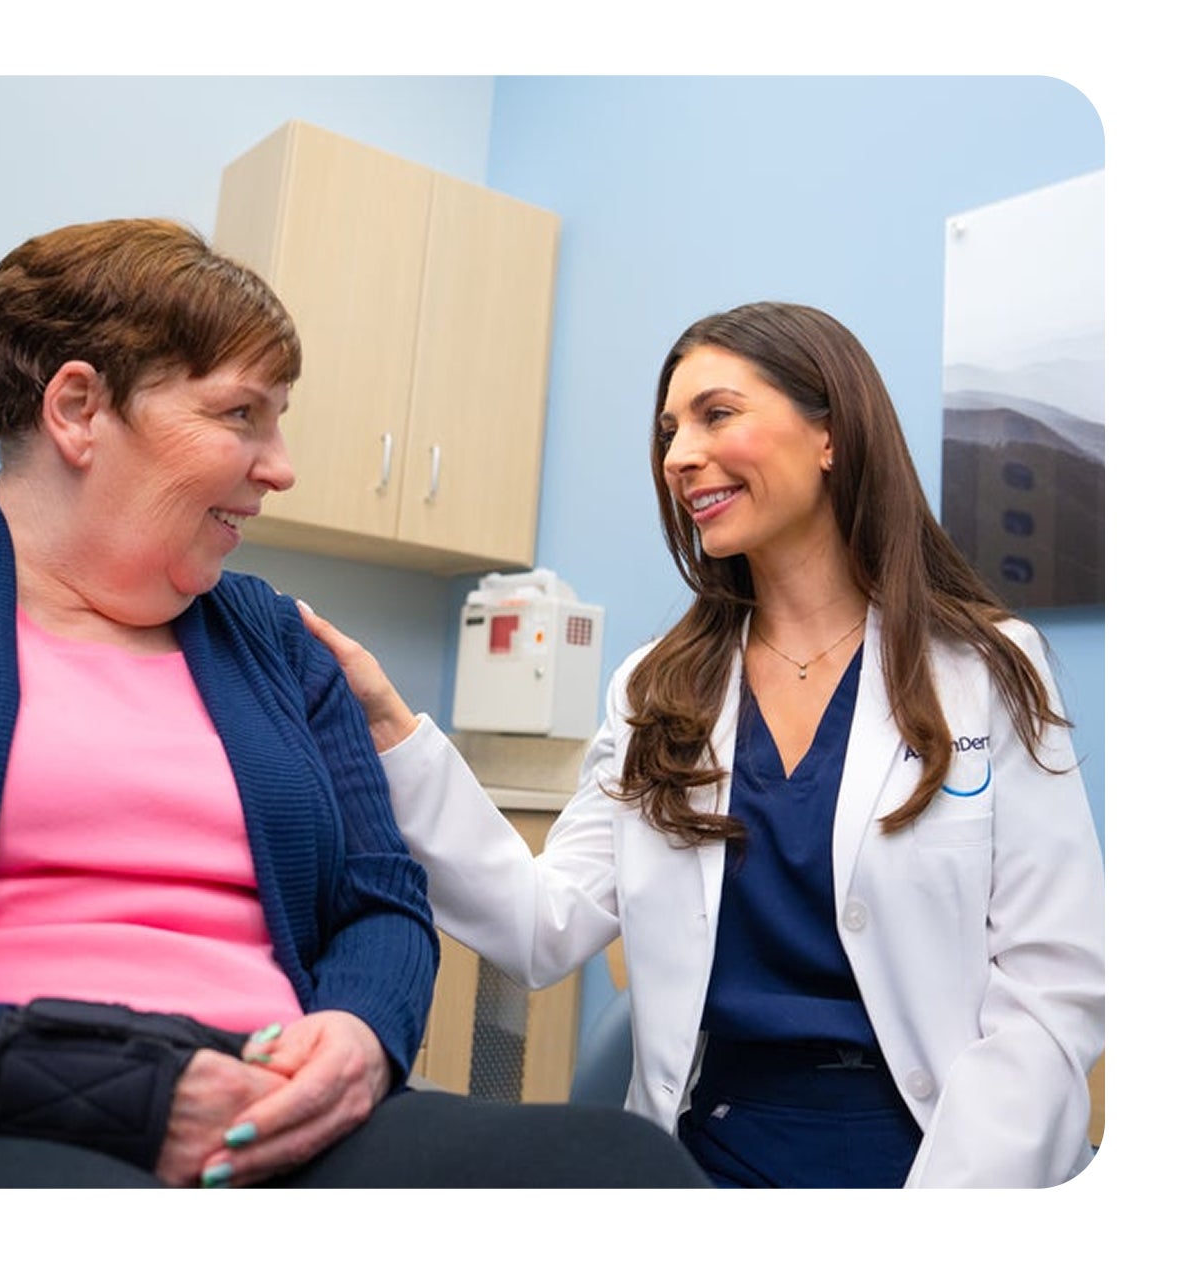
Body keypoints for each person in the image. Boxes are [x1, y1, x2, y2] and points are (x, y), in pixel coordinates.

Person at [0, 217, 712, 1190]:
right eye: (242, 415)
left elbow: (381, 901)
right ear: (80, 408)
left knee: (621, 1170)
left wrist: (360, 1035)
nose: (282, 463)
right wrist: (87, 1087)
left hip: (278, 1104)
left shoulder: (273, 641)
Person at [301, 300, 1106, 1188]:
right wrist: (394, 733)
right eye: (669, 430)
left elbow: (1052, 982)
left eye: (717, 415)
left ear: (830, 433)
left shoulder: (986, 669)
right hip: (711, 1155)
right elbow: (541, 924)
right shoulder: (658, 689)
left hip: (945, 1152)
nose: (680, 455)